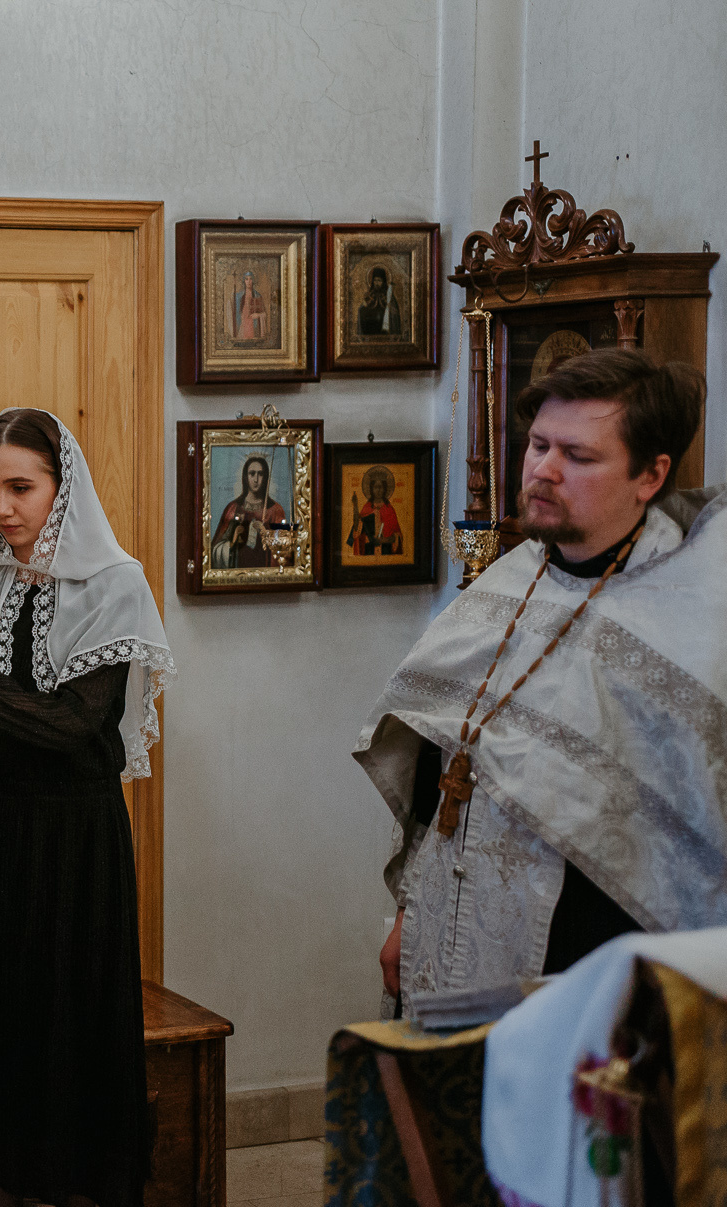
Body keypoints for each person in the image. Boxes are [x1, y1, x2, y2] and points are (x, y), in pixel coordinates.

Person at [359, 349, 726, 1003]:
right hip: (454, 926)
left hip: (591, 963)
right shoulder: (510, 577)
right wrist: (411, 910)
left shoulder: (689, 623)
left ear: (651, 474)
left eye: (578, 457)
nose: (543, 470)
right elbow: (442, 771)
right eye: (538, 445)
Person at [0, 407, 175, 1207]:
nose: (2, 507)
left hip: (68, 835)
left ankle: (61, 1189)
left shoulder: (114, 585)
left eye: (21, 487)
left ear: (63, 489)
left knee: (59, 1019)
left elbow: (71, 725)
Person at [210, 453, 286, 568]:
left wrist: (265, 534)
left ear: (265, 478)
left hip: (265, 574)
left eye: (260, 474)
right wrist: (232, 540)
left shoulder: (275, 510)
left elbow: (284, 548)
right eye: (252, 474)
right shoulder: (233, 508)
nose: (256, 479)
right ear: (245, 477)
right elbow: (215, 549)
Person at [347, 466, 404, 557]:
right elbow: (357, 530)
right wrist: (355, 506)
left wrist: (383, 540)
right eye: (375, 487)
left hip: (386, 551)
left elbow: (397, 536)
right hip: (369, 551)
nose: (378, 490)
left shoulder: (389, 509)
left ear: (385, 489)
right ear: (371, 489)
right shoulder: (367, 508)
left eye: (380, 487)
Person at [356, 265, 401, 337]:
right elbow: (361, 310)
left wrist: (389, 307)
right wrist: (363, 308)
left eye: (379, 281)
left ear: (383, 282)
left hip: (384, 330)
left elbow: (395, 313)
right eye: (375, 280)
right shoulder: (370, 295)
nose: (377, 283)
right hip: (370, 329)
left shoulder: (388, 296)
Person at [231, 270, 268, 340]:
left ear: (253, 281)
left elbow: (264, 314)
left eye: (250, 279)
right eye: (246, 279)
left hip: (253, 326)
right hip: (243, 326)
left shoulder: (257, 295)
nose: (248, 281)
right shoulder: (239, 296)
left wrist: (258, 315)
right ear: (244, 281)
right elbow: (236, 314)